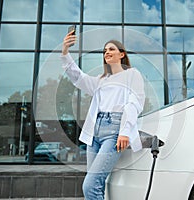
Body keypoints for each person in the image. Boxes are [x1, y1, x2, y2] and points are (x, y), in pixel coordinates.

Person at [61, 30, 145, 200]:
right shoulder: (102, 79)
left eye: (111, 49)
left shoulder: (132, 74)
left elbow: (135, 103)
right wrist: (65, 52)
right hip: (94, 133)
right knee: (97, 186)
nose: (107, 52)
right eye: (105, 50)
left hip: (114, 130)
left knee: (90, 186)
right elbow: (78, 77)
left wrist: (124, 131)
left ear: (122, 54)